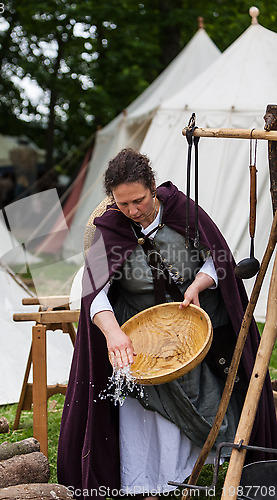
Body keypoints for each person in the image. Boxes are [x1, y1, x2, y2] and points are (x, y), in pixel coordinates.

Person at [57, 148, 277, 499]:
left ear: (153, 187)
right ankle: (148, 484)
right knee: (149, 412)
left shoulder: (184, 212)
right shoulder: (111, 229)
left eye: (139, 200)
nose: (132, 210)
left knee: (211, 395)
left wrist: (198, 284)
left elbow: (217, 259)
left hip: (194, 323)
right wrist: (113, 332)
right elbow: (94, 293)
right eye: (123, 203)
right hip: (139, 332)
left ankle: (196, 471)